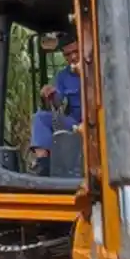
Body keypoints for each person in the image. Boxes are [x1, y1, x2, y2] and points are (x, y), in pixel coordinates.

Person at [30, 35, 82, 177]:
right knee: (40, 117)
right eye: (67, 54)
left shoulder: (98, 68)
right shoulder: (63, 76)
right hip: (75, 123)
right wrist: (51, 94)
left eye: (76, 51)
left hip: (100, 121)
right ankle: (43, 164)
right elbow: (59, 103)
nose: (73, 57)